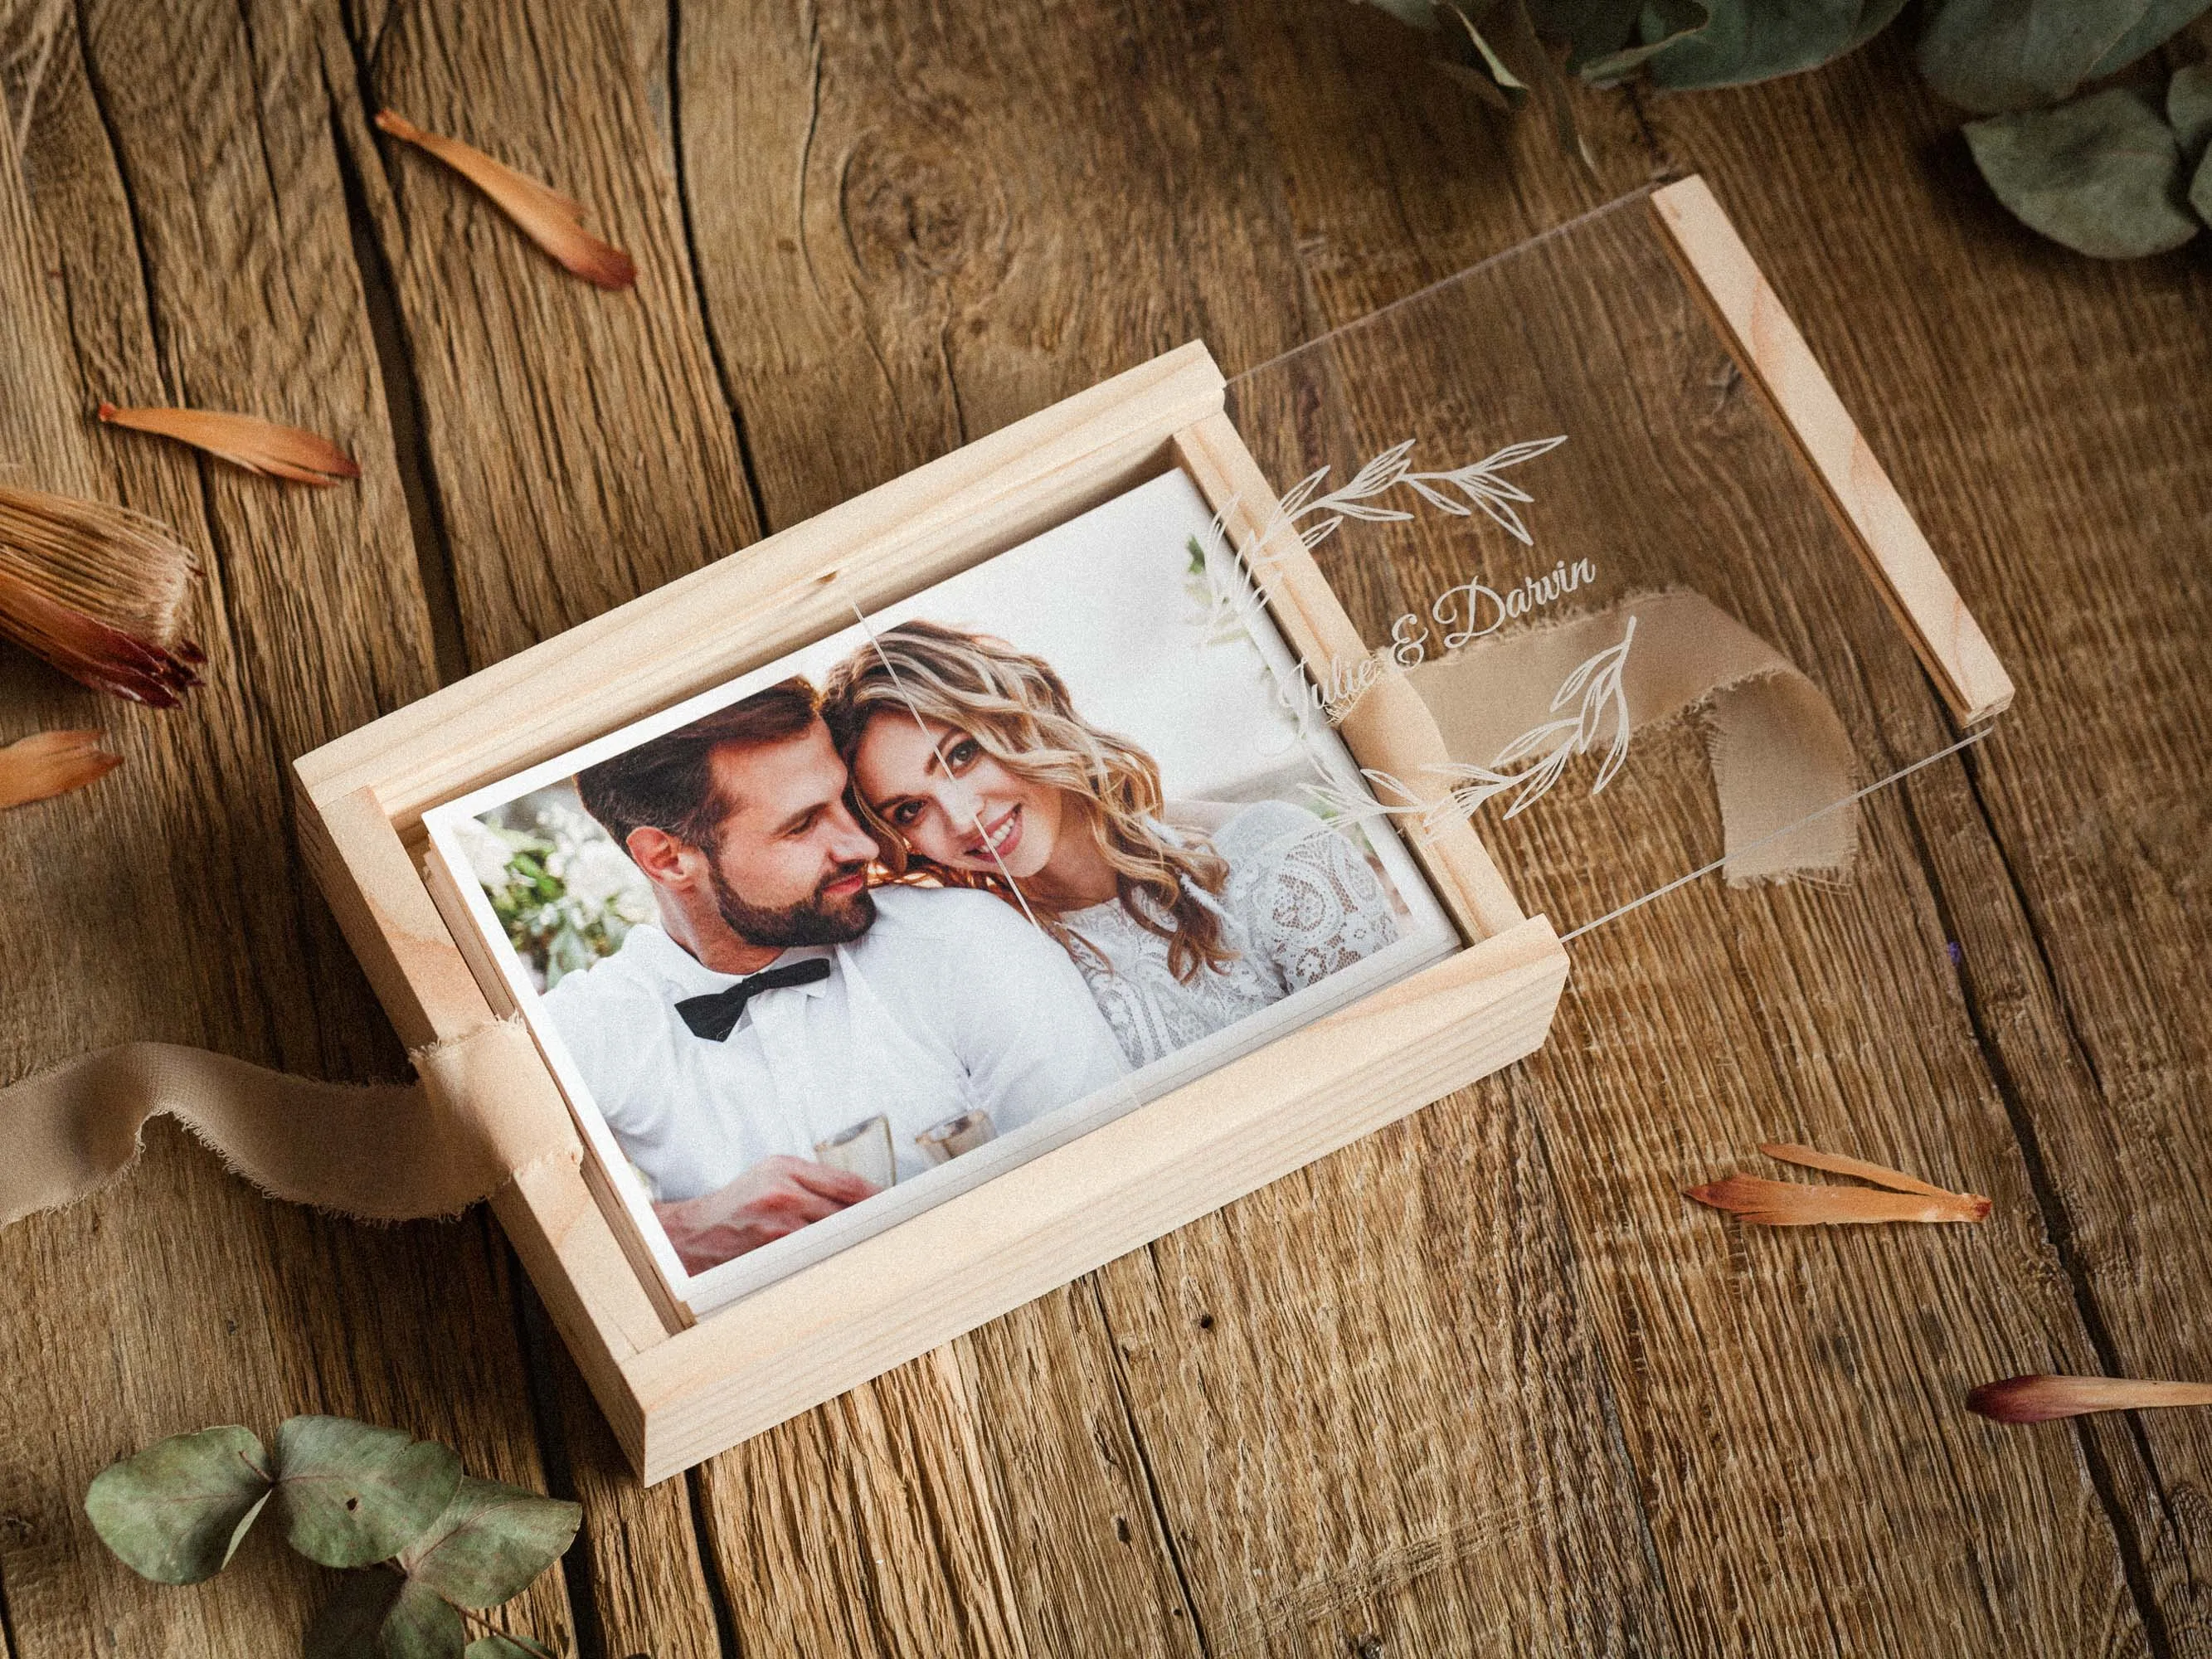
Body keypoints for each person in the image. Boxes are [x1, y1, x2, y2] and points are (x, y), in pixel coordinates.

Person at [541, 676, 1126, 1273]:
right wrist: (672, 1235)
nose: (861, 845)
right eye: (801, 825)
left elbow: (1110, 1166)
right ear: (667, 860)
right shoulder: (584, 1025)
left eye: (844, 800)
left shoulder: (960, 941)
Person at [819, 620, 1403, 1072]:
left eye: (962, 754)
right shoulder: (987, 957)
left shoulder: (1276, 857)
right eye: (910, 809)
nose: (962, 815)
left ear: (1023, 714)